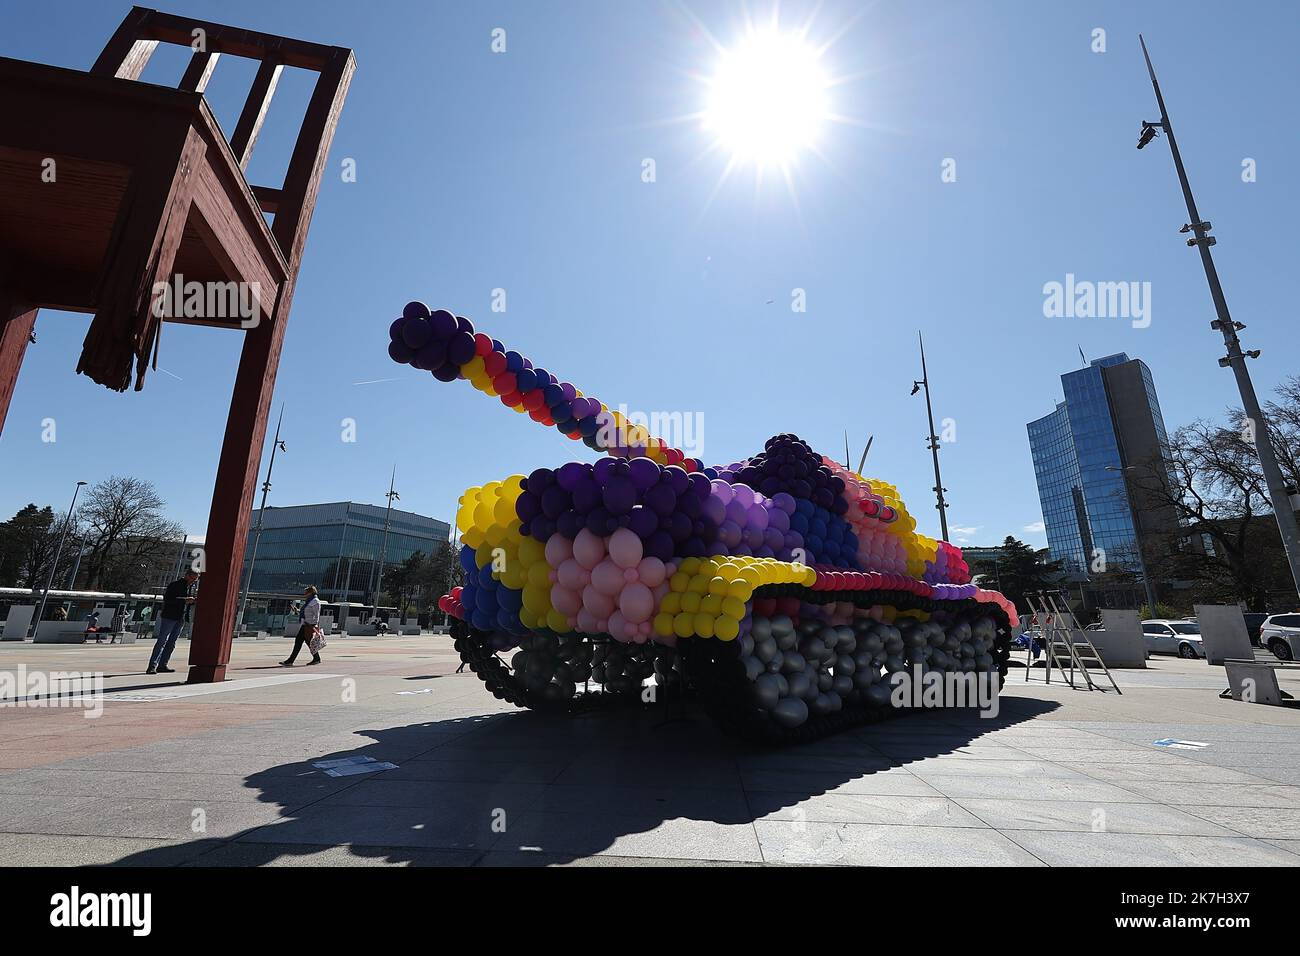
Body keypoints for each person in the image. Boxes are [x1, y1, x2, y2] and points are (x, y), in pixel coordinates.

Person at [147, 570, 198, 675]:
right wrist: (184, 600)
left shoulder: (192, 588)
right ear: (187, 576)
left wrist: (193, 601)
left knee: (172, 643)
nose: (193, 581)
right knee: (162, 640)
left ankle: (163, 664)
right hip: (170, 616)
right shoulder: (175, 585)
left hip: (181, 617)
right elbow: (168, 599)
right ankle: (152, 665)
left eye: (195, 579)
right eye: (192, 578)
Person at [281, 585, 322, 667]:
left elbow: (316, 616)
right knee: (302, 642)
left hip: (309, 626)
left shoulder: (315, 602)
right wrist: (298, 610)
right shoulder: (309, 601)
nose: (305, 593)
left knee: (301, 642)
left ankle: (291, 661)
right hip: (305, 625)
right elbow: (307, 613)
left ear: (311, 592)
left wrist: (312, 625)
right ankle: (316, 658)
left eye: (306, 592)